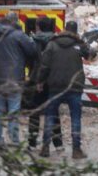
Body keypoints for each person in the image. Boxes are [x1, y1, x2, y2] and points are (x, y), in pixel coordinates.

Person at [37, 20, 91, 159]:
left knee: (50, 117)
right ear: (75, 30)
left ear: (64, 29)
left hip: (55, 86)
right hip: (74, 87)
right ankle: (76, 150)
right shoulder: (78, 44)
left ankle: (45, 148)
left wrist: (40, 82)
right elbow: (89, 54)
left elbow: (44, 66)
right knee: (75, 119)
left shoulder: (52, 44)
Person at [0, 11, 39, 146]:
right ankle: (14, 140)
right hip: (15, 77)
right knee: (13, 110)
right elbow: (32, 51)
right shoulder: (18, 35)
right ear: (16, 21)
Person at [25, 17, 61, 150]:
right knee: (54, 112)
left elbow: (28, 57)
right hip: (52, 80)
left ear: (38, 27)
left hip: (36, 79)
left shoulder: (33, 41)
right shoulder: (57, 42)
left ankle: (32, 143)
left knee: (35, 112)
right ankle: (58, 144)